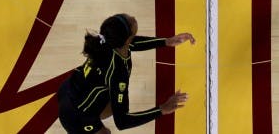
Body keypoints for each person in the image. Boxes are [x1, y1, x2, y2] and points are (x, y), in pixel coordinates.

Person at [56, 13, 194, 133]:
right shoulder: (117, 72)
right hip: (76, 114)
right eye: (130, 22)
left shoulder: (108, 41)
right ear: (127, 39)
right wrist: (162, 109)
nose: (132, 17)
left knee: (111, 106)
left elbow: (132, 43)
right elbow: (122, 122)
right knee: (106, 132)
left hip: (72, 89)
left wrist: (167, 41)